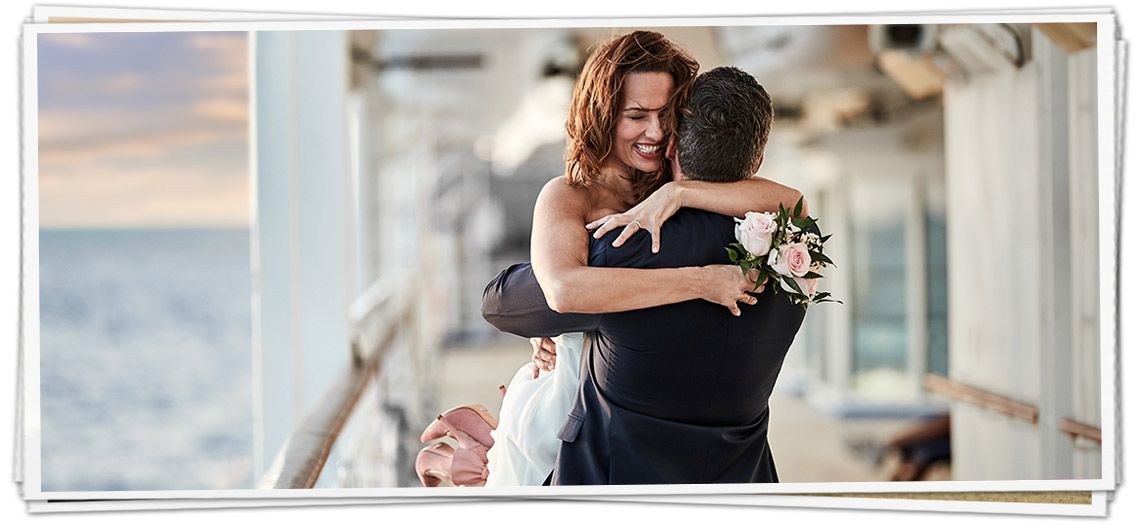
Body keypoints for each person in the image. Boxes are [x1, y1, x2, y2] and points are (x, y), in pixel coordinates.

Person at [483, 64, 810, 485]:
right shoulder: (793, 247)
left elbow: (502, 302)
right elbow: (796, 203)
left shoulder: (626, 248)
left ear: (671, 145)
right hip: (743, 489)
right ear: (759, 159)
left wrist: (552, 324)